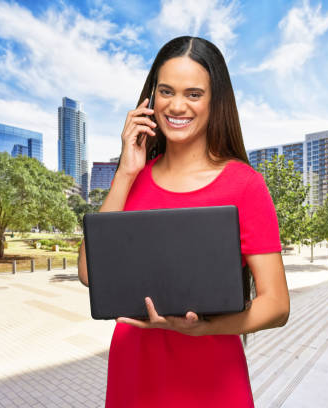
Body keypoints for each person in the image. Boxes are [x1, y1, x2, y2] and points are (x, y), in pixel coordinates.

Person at [77, 36, 290, 407]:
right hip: (135, 373)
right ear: (149, 100)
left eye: (193, 94)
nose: (177, 106)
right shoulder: (133, 177)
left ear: (214, 102)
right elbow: (89, 272)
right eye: (166, 91)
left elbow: (276, 304)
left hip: (210, 378)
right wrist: (126, 172)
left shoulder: (244, 184)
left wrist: (205, 329)